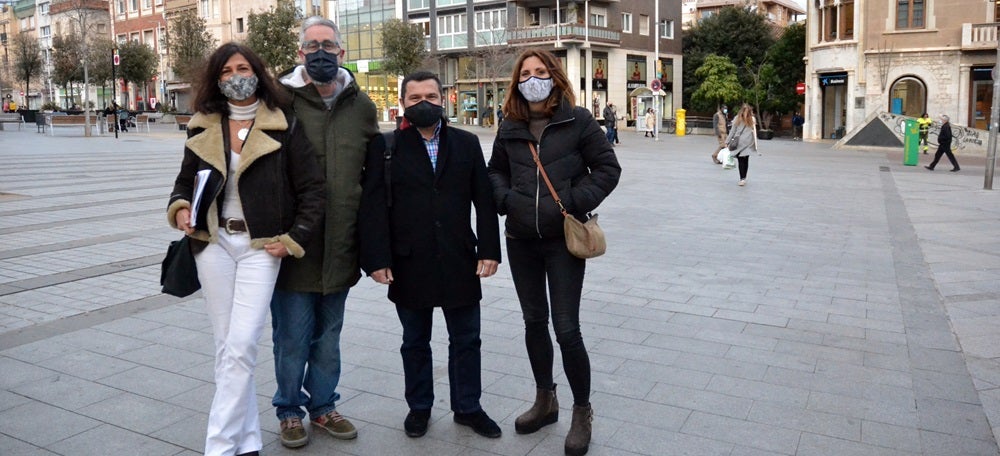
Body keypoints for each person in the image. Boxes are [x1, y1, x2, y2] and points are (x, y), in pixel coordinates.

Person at [167, 42, 326, 456]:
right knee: (227, 347)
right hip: (213, 243)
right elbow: (185, 182)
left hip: (261, 246)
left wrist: (294, 238)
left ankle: (218, 447)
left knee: (241, 345)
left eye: (243, 67)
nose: (236, 76)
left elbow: (313, 189)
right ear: (216, 80)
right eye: (226, 71)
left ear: (257, 72)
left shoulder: (283, 123)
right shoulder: (203, 123)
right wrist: (181, 209)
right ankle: (248, 440)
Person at [488, 49, 621, 456]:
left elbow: (608, 168)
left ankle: (582, 410)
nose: (532, 78)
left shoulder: (577, 120)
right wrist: (506, 200)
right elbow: (495, 170)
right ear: (517, 81)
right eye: (525, 73)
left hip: (563, 241)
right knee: (533, 321)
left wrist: (573, 201)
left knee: (566, 328)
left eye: (540, 71)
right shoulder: (510, 123)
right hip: (520, 239)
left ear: (554, 76)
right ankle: (545, 399)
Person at [358, 71, 503, 440]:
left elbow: (483, 202)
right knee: (414, 341)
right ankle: (419, 407)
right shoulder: (386, 146)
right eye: (415, 97)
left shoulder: (467, 143)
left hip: (459, 258)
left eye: (431, 96)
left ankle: (468, 407)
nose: (424, 103)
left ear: (444, 100)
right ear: (403, 103)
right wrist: (376, 258)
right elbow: (372, 205)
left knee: (467, 338)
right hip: (408, 262)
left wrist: (489, 249)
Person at [269, 16, 379, 448]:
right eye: (311, 45)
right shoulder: (280, 102)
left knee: (328, 339)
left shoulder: (362, 106)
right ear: (300, 53)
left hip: (341, 245)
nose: (320, 52)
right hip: (293, 246)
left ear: (341, 52)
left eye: (327, 45)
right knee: (292, 338)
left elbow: (373, 179)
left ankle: (324, 407)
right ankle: (289, 410)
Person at [725, 104, 759, 186]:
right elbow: (754, 131)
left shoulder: (738, 118)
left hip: (742, 142)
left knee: (742, 160)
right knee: (745, 160)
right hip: (745, 143)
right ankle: (743, 178)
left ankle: (742, 178)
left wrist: (727, 141)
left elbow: (733, 131)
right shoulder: (751, 119)